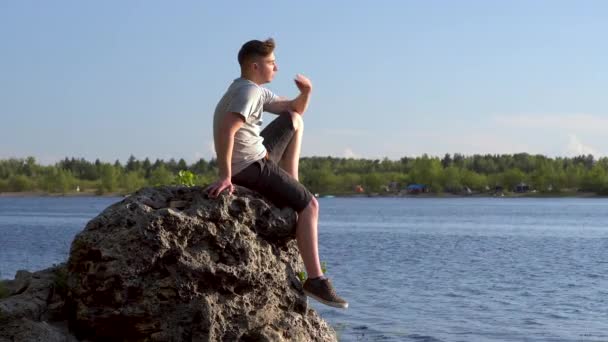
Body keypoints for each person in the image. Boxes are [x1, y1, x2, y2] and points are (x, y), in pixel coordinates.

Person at [206, 38, 348, 309]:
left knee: (295, 120)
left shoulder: (250, 89)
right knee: (311, 205)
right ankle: (316, 279)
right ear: (255, 65)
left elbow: (294, 108)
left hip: (254, 157)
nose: (277, 67)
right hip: (249, 168)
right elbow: (227, 130)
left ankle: (291, 187)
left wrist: (306, 92)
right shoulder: (248, 93)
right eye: (272, 63)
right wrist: (226, 176)